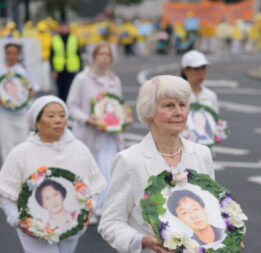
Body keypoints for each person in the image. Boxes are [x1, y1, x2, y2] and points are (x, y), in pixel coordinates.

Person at [98, 75, 216, 253]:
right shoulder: (129, 161)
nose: (178, 112)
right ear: (149, 112)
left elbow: (211, 210)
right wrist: (142, 240)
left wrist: (228, 235)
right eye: (169, 106)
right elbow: (110, 223)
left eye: (182, 105)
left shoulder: (202, 154)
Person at [0, 95, 106, 253]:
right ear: (36, 122)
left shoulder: (79, 149)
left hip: (72, 226)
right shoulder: (21, 153)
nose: (58, 120)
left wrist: (87, 210)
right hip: (34, 230)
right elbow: (6, 195)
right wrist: (19, 221)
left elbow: (93, 189)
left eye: (62, 116)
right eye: (50, 116)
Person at [67, 42, 124, 217]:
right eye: (101, 55)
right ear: (94, 57)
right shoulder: (82, 79)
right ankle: (87, 208)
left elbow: (118, 106)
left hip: (109, 136)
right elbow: (72, 105)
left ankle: (104, 208)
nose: (104, 59)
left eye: (108, 55)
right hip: (89, 135)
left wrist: (122, 120)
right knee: (87, 171)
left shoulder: (114, 81)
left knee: (108, 170)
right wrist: (87, 119)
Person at [0, 43, 39, 162]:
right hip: (4, 114)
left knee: (22, 144)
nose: (12, 56)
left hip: (21, 113)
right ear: (5, 54)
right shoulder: (1, 69)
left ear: (19, 55)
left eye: (15, 53)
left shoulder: (24, 70)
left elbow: (34, 86)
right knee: (6, 145)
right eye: (9, 53)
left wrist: (31, 91)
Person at [50, 22, 82, 102]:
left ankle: (69, 107)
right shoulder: (55, 39)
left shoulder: (73, 38)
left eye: (65, 27)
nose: (64, 29)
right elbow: (51, 55)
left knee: (70, 89)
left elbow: (78, 53)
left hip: (71, 68)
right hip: (59, 69)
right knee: (60, 91)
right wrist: (52, 69)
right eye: (62, 27)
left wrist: (80, 68)